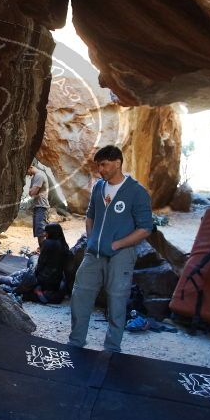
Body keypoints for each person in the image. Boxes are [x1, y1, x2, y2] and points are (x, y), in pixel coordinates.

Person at [69, 146, 152, 352]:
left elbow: (145, 228)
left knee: (117, 300)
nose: (100, 169)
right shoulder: (99, 187)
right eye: (98, 165)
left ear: (117, 163)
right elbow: (90, 215)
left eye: (104, 164)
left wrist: (117, 244)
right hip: (94, 253)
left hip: (121, 255)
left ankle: (112, 348)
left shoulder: (137, 192)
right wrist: (91, 239)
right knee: (80, 295)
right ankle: (76, 342)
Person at [27, 164, 49, 248]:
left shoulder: (39, 176)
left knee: (42, 232)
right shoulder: (35, 177)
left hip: (41, 206)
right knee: (40, 232)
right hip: (38, 206)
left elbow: (32, 193)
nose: (27, 174)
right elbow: (31, 193)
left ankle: (45, 252)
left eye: (27, 171)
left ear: (31, 167)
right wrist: (31, 191)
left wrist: (32, 191)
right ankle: (43, 251)